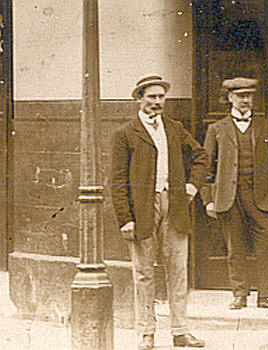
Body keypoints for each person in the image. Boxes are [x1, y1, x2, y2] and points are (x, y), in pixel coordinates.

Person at [110, 75, 209, 349]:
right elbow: (117, 181)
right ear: (139, 99)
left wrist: (192, 186)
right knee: (143, 272)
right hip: (142, 210)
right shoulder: (125, 134)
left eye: (161, 97)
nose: (156, 102)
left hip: (175, 206)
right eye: (151, 97)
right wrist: (125, 218)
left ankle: (180, 331)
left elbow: (201, 156)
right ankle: (146, 332)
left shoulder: (175, 128)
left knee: (178, 271)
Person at [201, 77, 268, 310]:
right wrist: (208, 200)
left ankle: (267, 296)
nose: (245, 100)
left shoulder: (266, 126)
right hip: (229, 197)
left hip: (262, 197)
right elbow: (206, 167)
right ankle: (239, 294)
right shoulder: (216, 129)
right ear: (229, 98)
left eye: (249, 96)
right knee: (234, 247)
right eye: (240, 96)